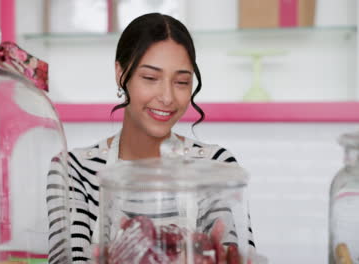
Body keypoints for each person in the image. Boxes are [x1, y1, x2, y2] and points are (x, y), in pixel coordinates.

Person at [46, 13, 255, 263]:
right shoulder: (74, 170)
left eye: (181, 81)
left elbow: (233, 255)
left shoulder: (215, 166)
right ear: (121, 73)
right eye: (150, 78)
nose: (167, 97)